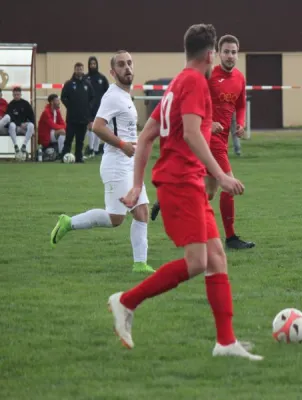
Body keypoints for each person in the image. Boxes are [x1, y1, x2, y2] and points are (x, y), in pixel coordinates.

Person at [107, 24, 263, 360]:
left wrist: (137, 186)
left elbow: (147, 136)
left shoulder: (177, 83)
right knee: (197, 262)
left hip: (187, 180)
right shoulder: (194, 83)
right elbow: (192, 134)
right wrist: (220, 175)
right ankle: (126, 301)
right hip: (180, 182)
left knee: (216, 258)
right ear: (210, 55)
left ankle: (225, 342)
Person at [50, 51, 154, 274]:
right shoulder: (113, 95)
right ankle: (69, 222)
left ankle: (140, 264)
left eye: (129, 63)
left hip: (129, 162)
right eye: (121, 65)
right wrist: (122, 144)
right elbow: (97, 126)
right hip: (116, 163)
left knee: (142, 211)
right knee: (116, 218)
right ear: (112, 72)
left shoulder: (126, 95)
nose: (127, 68)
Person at [151, 34, 255, 250]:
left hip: (222, 139)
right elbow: (195, 101)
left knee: (209, 192)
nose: (230, 56)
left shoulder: (240, 78)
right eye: (226, 51)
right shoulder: (209, 75)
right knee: (229, 184)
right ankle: (231, 238)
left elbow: (240, 105)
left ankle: (170, 200)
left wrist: (241, 123)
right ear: (218, 54)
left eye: (233, 52)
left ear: (238, 54)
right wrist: (209, 122)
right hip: (209, 138)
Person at [60, 62, 94, 163]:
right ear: (74, 70)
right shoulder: (69, 84)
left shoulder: (87, 84)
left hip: (83, 118)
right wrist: (70, 106)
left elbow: (92, 97)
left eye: (81, 69)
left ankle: (79, 158)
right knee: (69, 139)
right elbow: (63, 97)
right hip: (72, 117)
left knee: (80, 140)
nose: (79, 71)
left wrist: (88, 108)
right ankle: (64, 157)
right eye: (77, 69)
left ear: (83, 70)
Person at [85, 56, 110, 157]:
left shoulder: (102, 78)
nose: (92, 66)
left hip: (100, 108)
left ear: (97, 65)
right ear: (89, 65)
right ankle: (90, 148)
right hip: (88, 108)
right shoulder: (85, 78)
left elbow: (107, 93)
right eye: (91, 64)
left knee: (98, 129)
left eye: (94, 64)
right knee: (90, 128)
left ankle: (95, 150)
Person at [6, 87, 35, 158]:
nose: (16, 96)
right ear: (13, 95)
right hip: (16, 127)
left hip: (24, 127)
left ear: (21, 94)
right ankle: (15, 145)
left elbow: (32, 117)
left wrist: (26, 123)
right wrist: (19, 124)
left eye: (18, 94)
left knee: (31, 125)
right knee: (11, 125)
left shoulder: (26, 104)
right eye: (15, 95)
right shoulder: (10, 105)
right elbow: (10, 118)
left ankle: (24, 146)